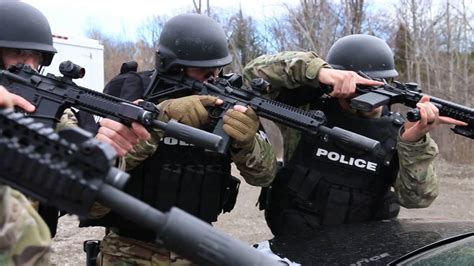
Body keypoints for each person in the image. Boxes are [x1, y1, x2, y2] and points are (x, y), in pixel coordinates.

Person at [86, 14, 277, 265]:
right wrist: (160, 119)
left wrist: (247, 142)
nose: (212, 78)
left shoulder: (227, 100)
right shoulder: (131, 89)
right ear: (172, 66)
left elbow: (264, 176)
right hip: (129, 247)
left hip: (197, 247)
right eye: (202, 70)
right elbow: (95, 168)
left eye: (217, 69)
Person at [243, 34, 467, 237]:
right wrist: (317, 70)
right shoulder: (306, 109)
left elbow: (418, 199)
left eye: (375, 85)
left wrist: (414, 143)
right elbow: (251, 75)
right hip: (296, 242)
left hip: (362, 250)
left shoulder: (402, 131)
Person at [0, 0, 149, 239]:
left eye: (35, 56)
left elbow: (92, 207)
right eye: (18, 53)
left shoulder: (56, 115)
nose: (28, 65)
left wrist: (104, 154)